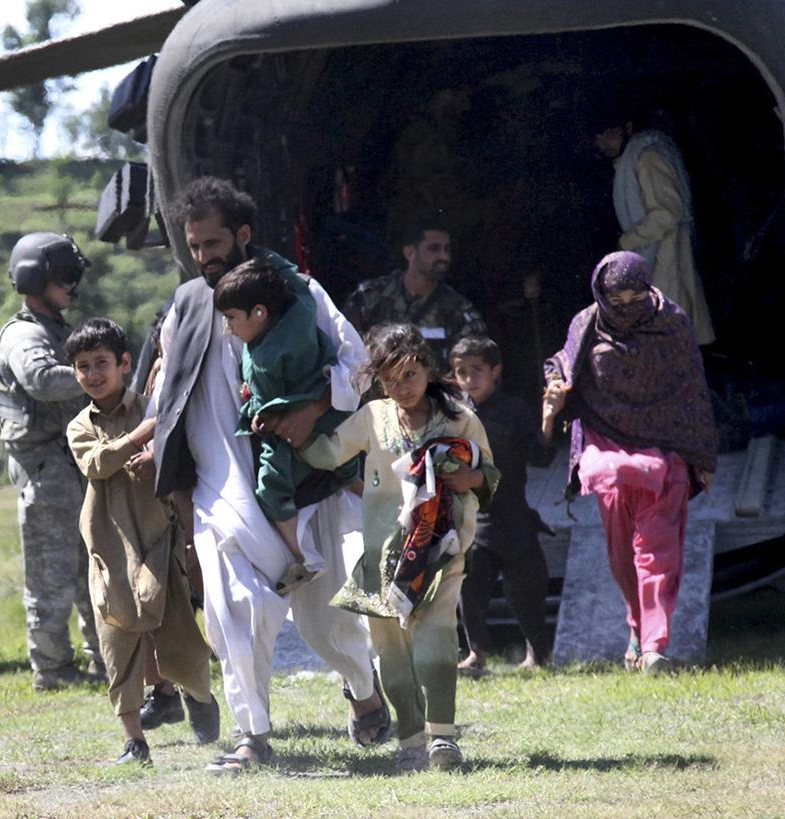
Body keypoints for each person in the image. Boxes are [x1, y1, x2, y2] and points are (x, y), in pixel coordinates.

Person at [154, 177, 389, 773]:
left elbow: (356, 362)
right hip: (221, 487)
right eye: (194, 245)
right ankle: (250, 734)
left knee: (324, 619)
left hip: (306, 480)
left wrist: (314, 408)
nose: (204, 256)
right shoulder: (184, 308)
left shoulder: (300, 292)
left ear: (243, 235)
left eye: (213, 242)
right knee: (234, 609)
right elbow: (167, 394)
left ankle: (364, 689)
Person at [300, 323, 499, 772]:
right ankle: (410, 739)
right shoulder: (373, 416)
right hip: (381, 559)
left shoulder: (460, 419)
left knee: (434, 645)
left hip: (440, 552)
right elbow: (328, 452)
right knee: (391, 655)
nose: (400, 386)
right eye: (389, 378)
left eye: (409, 374)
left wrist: (469, 478)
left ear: (427, 368)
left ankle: (442, 739)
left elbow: (489, 474)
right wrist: (284, 428)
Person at [544, 251, 717, 674]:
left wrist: (703, 454)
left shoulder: (671, 323)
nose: (624, 306)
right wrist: (555, 390)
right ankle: (638, 629)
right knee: (623, 554)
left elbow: (694, 388)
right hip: (607, 447)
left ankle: (655, 645)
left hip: (667, 446)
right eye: (614, 299)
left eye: (633, 296)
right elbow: (562, 364)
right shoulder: (587, 324)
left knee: (656, 552)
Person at [64, 318, 221, 765]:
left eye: (101, 364)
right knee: (117, 640)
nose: (93, 374)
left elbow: (179, 451)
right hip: (109, 547)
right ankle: (134, 741)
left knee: (176, 631)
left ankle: (199, 696)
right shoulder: (81, 425)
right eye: (83, 366)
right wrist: (140, 436)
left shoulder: (152, 405)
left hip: (157, 539)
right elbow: (95, 464)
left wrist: (156, 452)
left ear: (124, 363)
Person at [0, 231, 102, 691]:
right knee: (51, 577)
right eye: (65, 277)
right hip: (47, 472)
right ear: (38, 278)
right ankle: (52, 670)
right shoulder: (25, 334)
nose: (72, 287)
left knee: (93, 570)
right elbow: (42, 381)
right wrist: (98, 376)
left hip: (72, 468)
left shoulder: (56, 331)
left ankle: (103, 659)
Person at [212, 259, 360, 594]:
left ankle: (302, 559)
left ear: (260, 313)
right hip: (337, 423)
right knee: (349, 470)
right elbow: (293, 279)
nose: (229, 328)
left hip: (298, 432)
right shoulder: (302, 306)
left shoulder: (265, 359)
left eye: (232, 318)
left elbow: (270, 410)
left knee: (270, 488)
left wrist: (256, 415)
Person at [449, 336, 555, 674]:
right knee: (468, 590)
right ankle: (476, 654)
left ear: (496, 370)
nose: (469, 379)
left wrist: (549, 417)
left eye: (477, 370)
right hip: (473, 518)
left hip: (513, 516)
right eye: (461, 372)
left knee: (526, 591)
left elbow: (541, 456)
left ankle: (536, 655)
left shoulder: (514, 410)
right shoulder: (455, 415)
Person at [591, 109, 714, 345]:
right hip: (654, 265)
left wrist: (625, 242)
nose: (605, 143)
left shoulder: (647, 157)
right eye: (599, 137)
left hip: (666, 261)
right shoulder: (627, 163)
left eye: (611, 134)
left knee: (669, 340)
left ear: (627, 129)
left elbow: (668, 212)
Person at [341, 218, 487, 367]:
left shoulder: (459, 310)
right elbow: (344, 350)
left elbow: (476, 371)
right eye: (434, 248)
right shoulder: (369, 297)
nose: (443, 257)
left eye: (447, 249)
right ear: (410, 253)